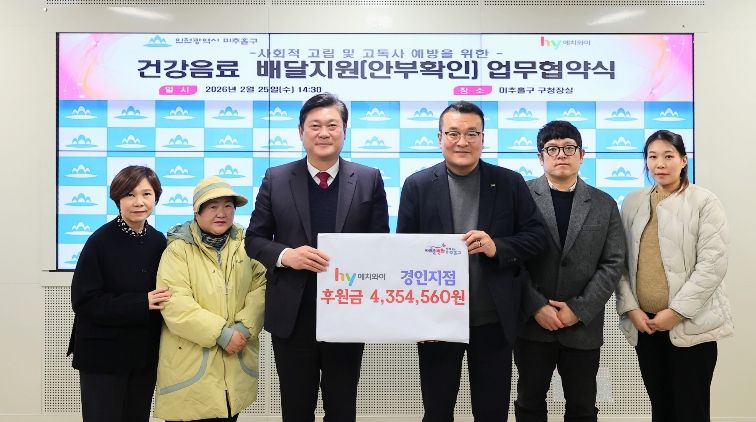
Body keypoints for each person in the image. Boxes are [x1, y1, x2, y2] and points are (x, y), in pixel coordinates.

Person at [396, 101, 546, 422]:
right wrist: (417, 319)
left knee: (492, 413)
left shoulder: (509, 182)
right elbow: (404, 254)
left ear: (483, 138)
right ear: (440, 138)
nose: (462, 141)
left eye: (471, 133)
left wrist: (497, 247)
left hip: (493, 320)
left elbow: (536, 238)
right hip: (437, 322)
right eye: (453, 133)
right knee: (437, 413)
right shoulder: (417, 185)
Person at [246, 93, 389, 422]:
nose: (324, 133)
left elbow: (380, 243)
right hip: (293, 316)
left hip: (347, 312)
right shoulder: (276, 178)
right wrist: (286, 255)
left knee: (342, 409)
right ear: (301, 131)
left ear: (344, 131)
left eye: (332, 125)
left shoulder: (368, 179)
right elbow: (253, 240)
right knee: (296, 409)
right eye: (315, 126)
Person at [616, 129, 733, 422]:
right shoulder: (632, 202)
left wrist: (676, 312)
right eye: (652, 156)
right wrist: (631, 308)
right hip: (646, 326)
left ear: (683, 160)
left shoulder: (704, 201)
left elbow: (712, 265)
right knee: (662, 410)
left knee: (691, 411)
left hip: (690, 326)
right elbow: (619, 262)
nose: (660, 164)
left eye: (668, 156)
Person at [514, 120, 625, 422]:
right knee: (529, 403)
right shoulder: (520, 197)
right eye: (552, 149)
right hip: (533, 324)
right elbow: (511, 260)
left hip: (582, 327)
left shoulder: (604, 203)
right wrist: (536, 306)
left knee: (583, 408)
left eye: (569, 148)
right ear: (541, 157)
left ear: (582, 154)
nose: (561, 154)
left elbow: (613, 261)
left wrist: (579, 308)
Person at [153, 176, 267, 422]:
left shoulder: (246, 244)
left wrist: (244, 328)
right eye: (213, 206)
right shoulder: (178, 249)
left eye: (228, 206)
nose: (221, 213)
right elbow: (174, 302)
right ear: (197, 211)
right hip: (190, 369)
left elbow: (263, 286)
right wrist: (221, 334)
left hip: (234, 367)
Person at [68, 165, 169, 422]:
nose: (139, 202)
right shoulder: (99, 241)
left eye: (146, 194)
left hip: (143, 355)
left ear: (156, 198)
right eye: (130, 195)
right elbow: (84, 301)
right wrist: (141, 302)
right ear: (117, 199)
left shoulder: (159, 241)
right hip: (103, 357)